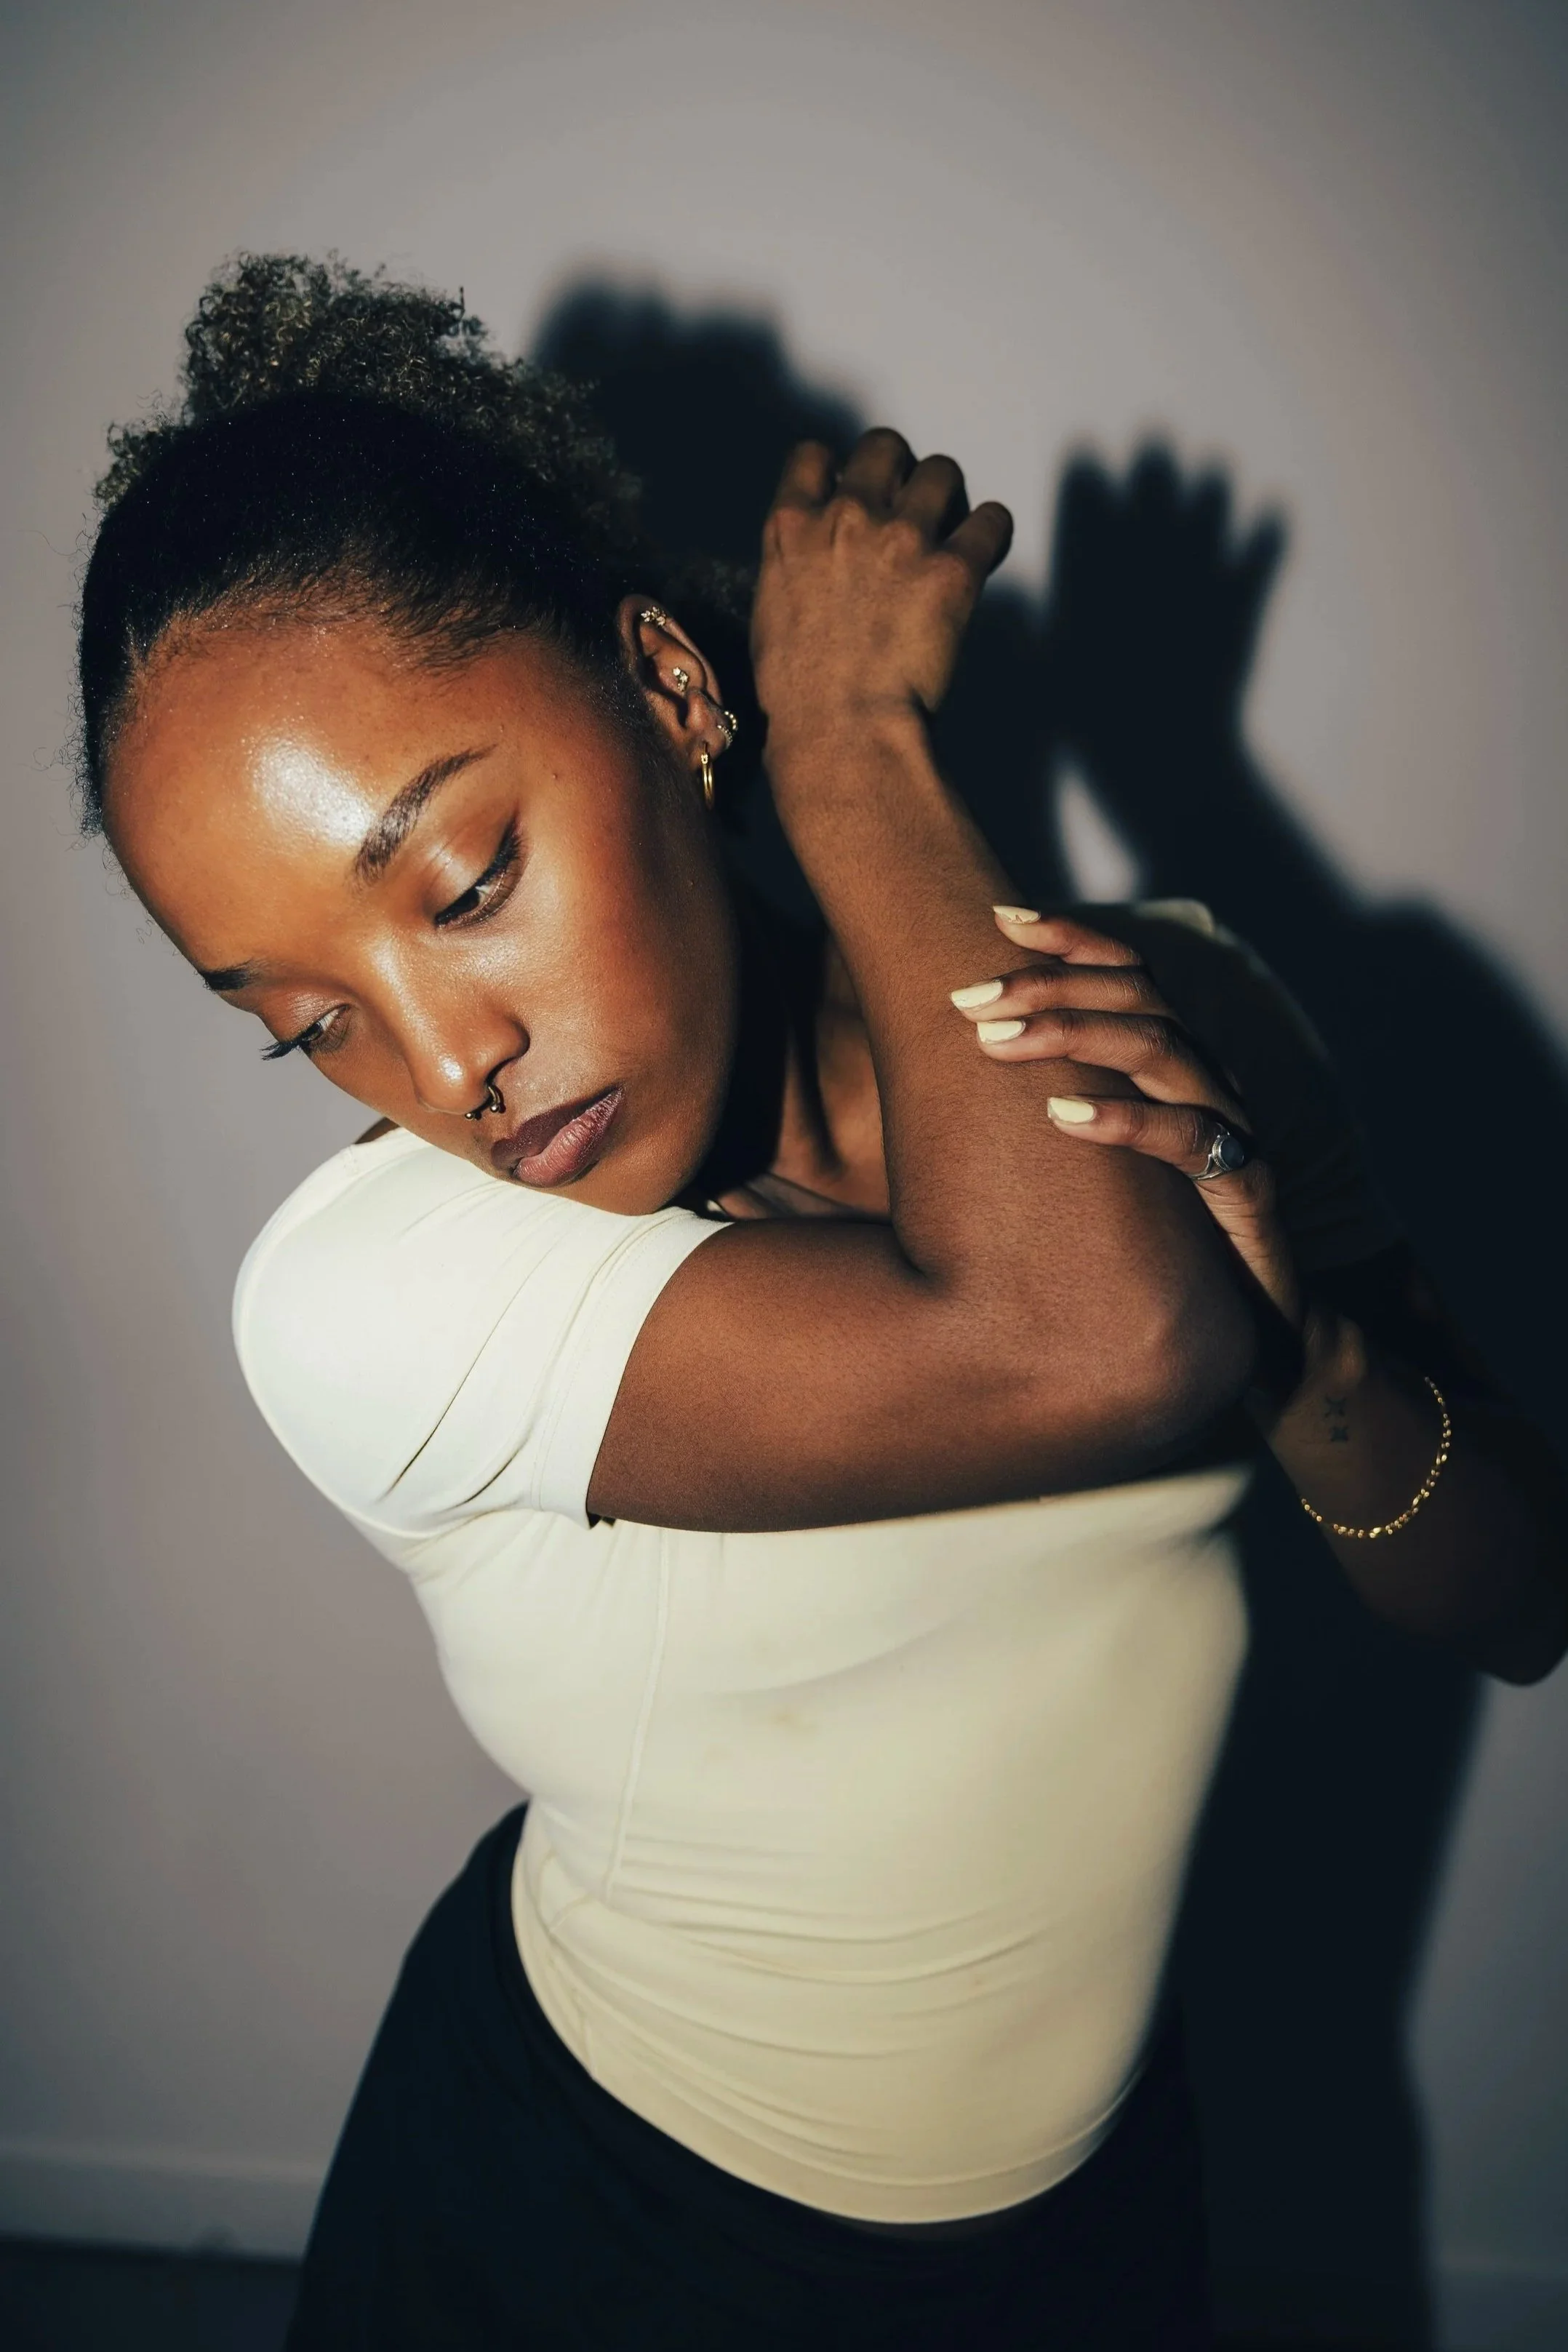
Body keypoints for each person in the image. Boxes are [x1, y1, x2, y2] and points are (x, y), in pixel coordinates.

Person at [76, 255, 1567, 2351]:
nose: (444, 1067)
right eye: (304, 1022)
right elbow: (1092, 1345)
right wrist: (852, 735)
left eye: (467, 887)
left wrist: (1311, 1354)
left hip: (1100, 2224)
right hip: (596, 2236)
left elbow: (1518, 1601)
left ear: (673, 695)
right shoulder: (370, 1292)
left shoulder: (1160, 1019)